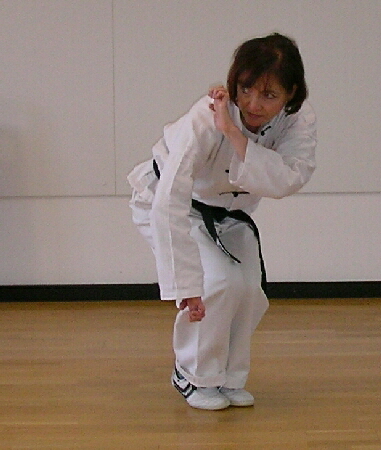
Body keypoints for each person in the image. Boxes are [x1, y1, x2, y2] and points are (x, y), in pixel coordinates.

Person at [127, 32, 317, 410]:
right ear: (234, 82)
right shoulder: (206, 115)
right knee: (217, 283)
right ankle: (193, 374)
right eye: (246, 89)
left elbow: (287, 179)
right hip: (168, 202)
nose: (253, 104)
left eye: (269, 95)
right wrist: (186, 284)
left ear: (291, 94)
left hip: (229, 214)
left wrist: (233, 133)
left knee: (248, 290)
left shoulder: (297, 120)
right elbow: (171, 197)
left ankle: (227, 377)